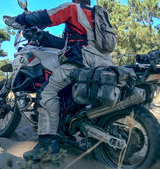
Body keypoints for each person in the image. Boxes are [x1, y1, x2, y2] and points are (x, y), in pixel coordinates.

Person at [15, 0, 113, 160]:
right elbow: (67, 43)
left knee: (47, 92)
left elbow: (45, 17)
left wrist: (22, 19)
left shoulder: (73, 8)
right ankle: (64, 128)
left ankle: (46, 146)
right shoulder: (97, 17)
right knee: (65, 91)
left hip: (82, 62)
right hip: (104, 65)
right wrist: (44, 37)